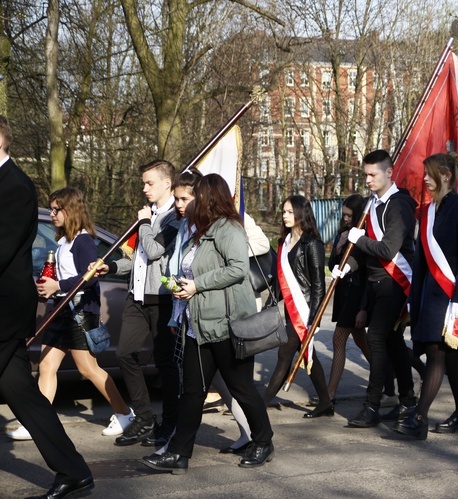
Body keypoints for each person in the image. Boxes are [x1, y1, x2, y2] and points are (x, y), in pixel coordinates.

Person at [141, 173, 274, 473]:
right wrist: (180, 299)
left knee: (241, 388)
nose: (187, 201)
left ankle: (263, 441)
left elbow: (238, 269)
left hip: (227, 325)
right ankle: (179, 454)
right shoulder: (200, 230)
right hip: (197, 325)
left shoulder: (229, 229)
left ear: (209, 198)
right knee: (192, 392)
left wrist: (198, 284)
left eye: (195, 195)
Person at [0, 115, 94, 497]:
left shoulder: (16, 187)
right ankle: (74, 471)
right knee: (21, 391)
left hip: (4, 309)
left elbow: (3, 249)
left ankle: (74, 472)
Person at [8, 188, 134, 442]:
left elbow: (89, 279)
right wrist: (49, 288)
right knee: (46, 365)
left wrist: (58, 287)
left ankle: (125, 413)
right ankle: (38, 424)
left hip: (79, 312)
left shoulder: (84, 240)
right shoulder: (64, 240)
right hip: (61, 310)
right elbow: (65, 277)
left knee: (88, 369)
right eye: (51, 209)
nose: (52, 214)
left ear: (71, 210)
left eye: (57, 209)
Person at [91, 159, 181, 447]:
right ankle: (144, 417)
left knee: (165, 364)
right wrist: (113, 268)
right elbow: (138, 260)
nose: (144, 188)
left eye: (149, 182)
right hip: (137, 296)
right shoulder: (148, 215)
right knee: (124, 355)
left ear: (167, 183)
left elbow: (154, 251)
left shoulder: (174, 219)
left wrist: (143, 222)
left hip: (162, 299)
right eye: (143, 182)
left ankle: (170, 423)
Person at [392, 152, 458, 440]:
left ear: (445, 176)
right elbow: (420, 261)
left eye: (429, 173)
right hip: (430, 292)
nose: (424, 178)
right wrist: (411, 299)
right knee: (450, 355)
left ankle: (419, 418)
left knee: (437, 352)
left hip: (452, 294)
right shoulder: (430, 211)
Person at [342, 149, 418, 428]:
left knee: (375, 339)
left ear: (388, 172)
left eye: (373, 174)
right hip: (373, 282)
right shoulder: (371, 204)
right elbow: (362, 250)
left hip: (393, 282)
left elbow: (387, 249)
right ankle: (408, 401)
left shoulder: (399, 205)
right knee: (393, 342)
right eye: (365, 175)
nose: (368, 180)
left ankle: (372, 405)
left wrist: (358, 239)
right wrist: (347, 265)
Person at [263, 195, 333, 418]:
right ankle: (325, 403)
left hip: (304, 312)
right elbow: (279, 279)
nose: (285, 216)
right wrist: (269, 304)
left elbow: (319, 286)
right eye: (283, 211)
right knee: (306, 355)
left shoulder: (312, 244)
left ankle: (261, 403)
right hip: (289, 311)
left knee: (286, 354)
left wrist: (314, 319)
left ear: (302, 213)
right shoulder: (283, 243)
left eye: (290, 212)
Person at [326, 194, 371, 402]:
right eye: (343, 215)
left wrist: (363, 307)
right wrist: (338, 247)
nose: (345, 219)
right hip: (343, 294)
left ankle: (330, 393)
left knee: (338, 339)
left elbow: (363, 270)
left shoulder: (363, 235)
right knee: (362, 341)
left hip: (356, 294)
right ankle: (388, 375)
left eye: (348, 215)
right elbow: (332, 266)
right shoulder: (342, 233)